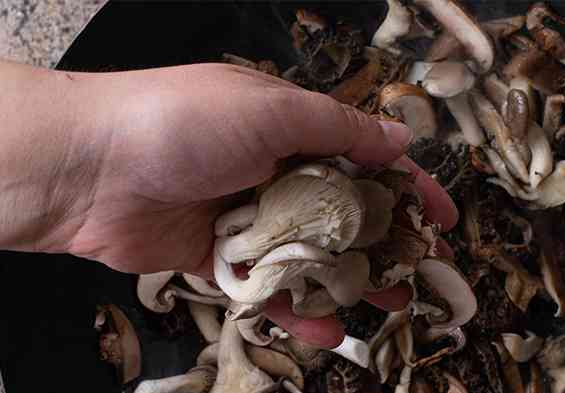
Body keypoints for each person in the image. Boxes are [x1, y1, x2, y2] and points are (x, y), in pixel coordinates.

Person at [0, 59, 458, 345]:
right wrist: (93, 155)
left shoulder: (250, 247)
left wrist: (85, 160)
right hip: (285, 224)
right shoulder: (243, 242)